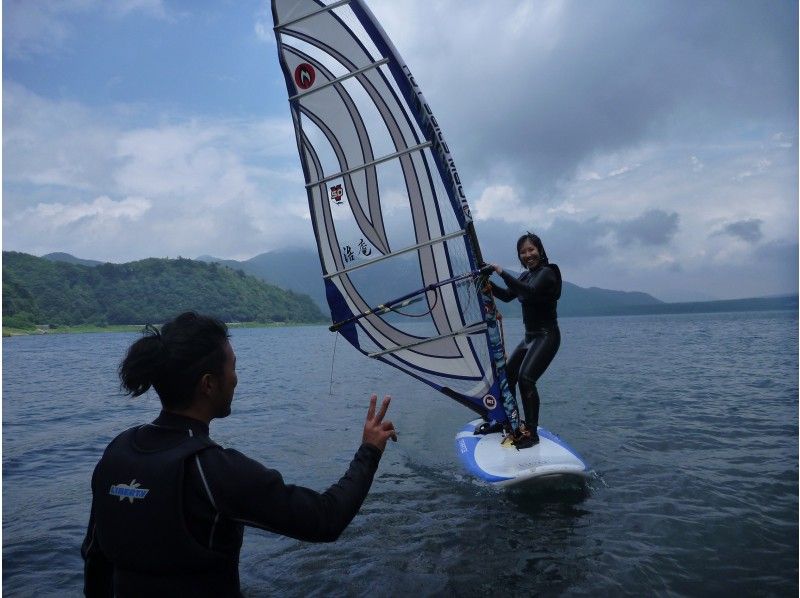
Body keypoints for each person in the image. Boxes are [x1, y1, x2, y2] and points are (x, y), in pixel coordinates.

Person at [81, 311, 396, 597]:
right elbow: (325, 519)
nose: (236, 378)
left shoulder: (118, 452)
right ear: (208, 384)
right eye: (233, 367)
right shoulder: (210, 470)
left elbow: (95, 557)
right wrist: (369, 449)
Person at [488, 232, 561, 449]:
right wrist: (486, 282)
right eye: (523, 252)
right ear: (519, 256)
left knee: (526, 379)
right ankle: (509, 422)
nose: (528, 255)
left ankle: (531, 433)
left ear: (540, 250)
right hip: (529, 338)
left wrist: (501, 272)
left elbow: (528, 294)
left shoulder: (549, 272)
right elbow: (508, 295)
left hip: (547, 336)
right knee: (507, 378)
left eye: (531, 250)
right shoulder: (525, 277)